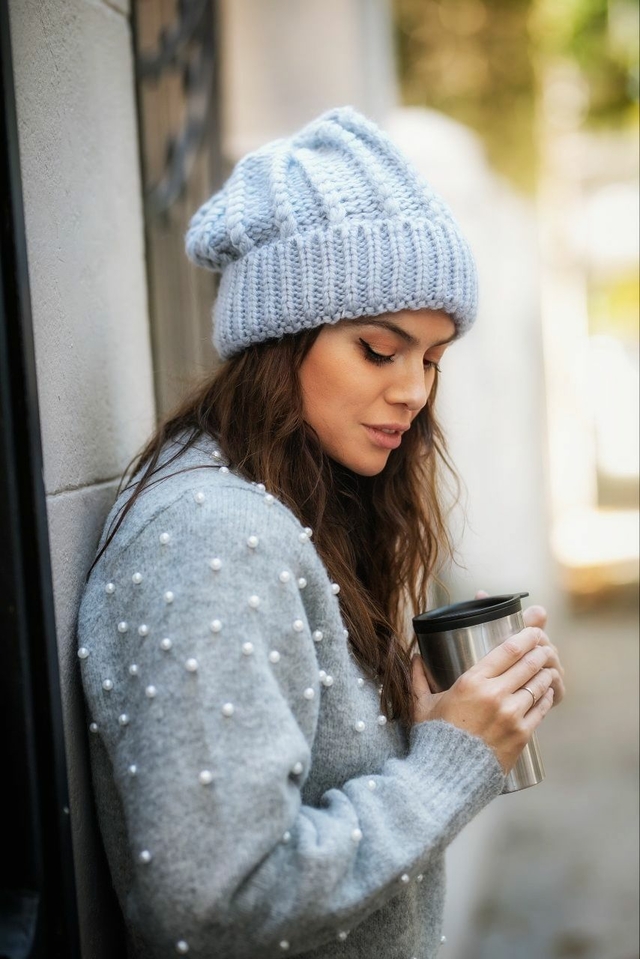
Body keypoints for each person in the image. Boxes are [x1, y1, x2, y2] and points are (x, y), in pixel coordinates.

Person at [77, 106, 565, 959]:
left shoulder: (288, 505)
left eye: (432, 359)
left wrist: (428, 722)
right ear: (280, 339)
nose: (414, 391)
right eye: (380, 349)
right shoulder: (214, 533)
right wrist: (449, 764)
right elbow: (213, 900)